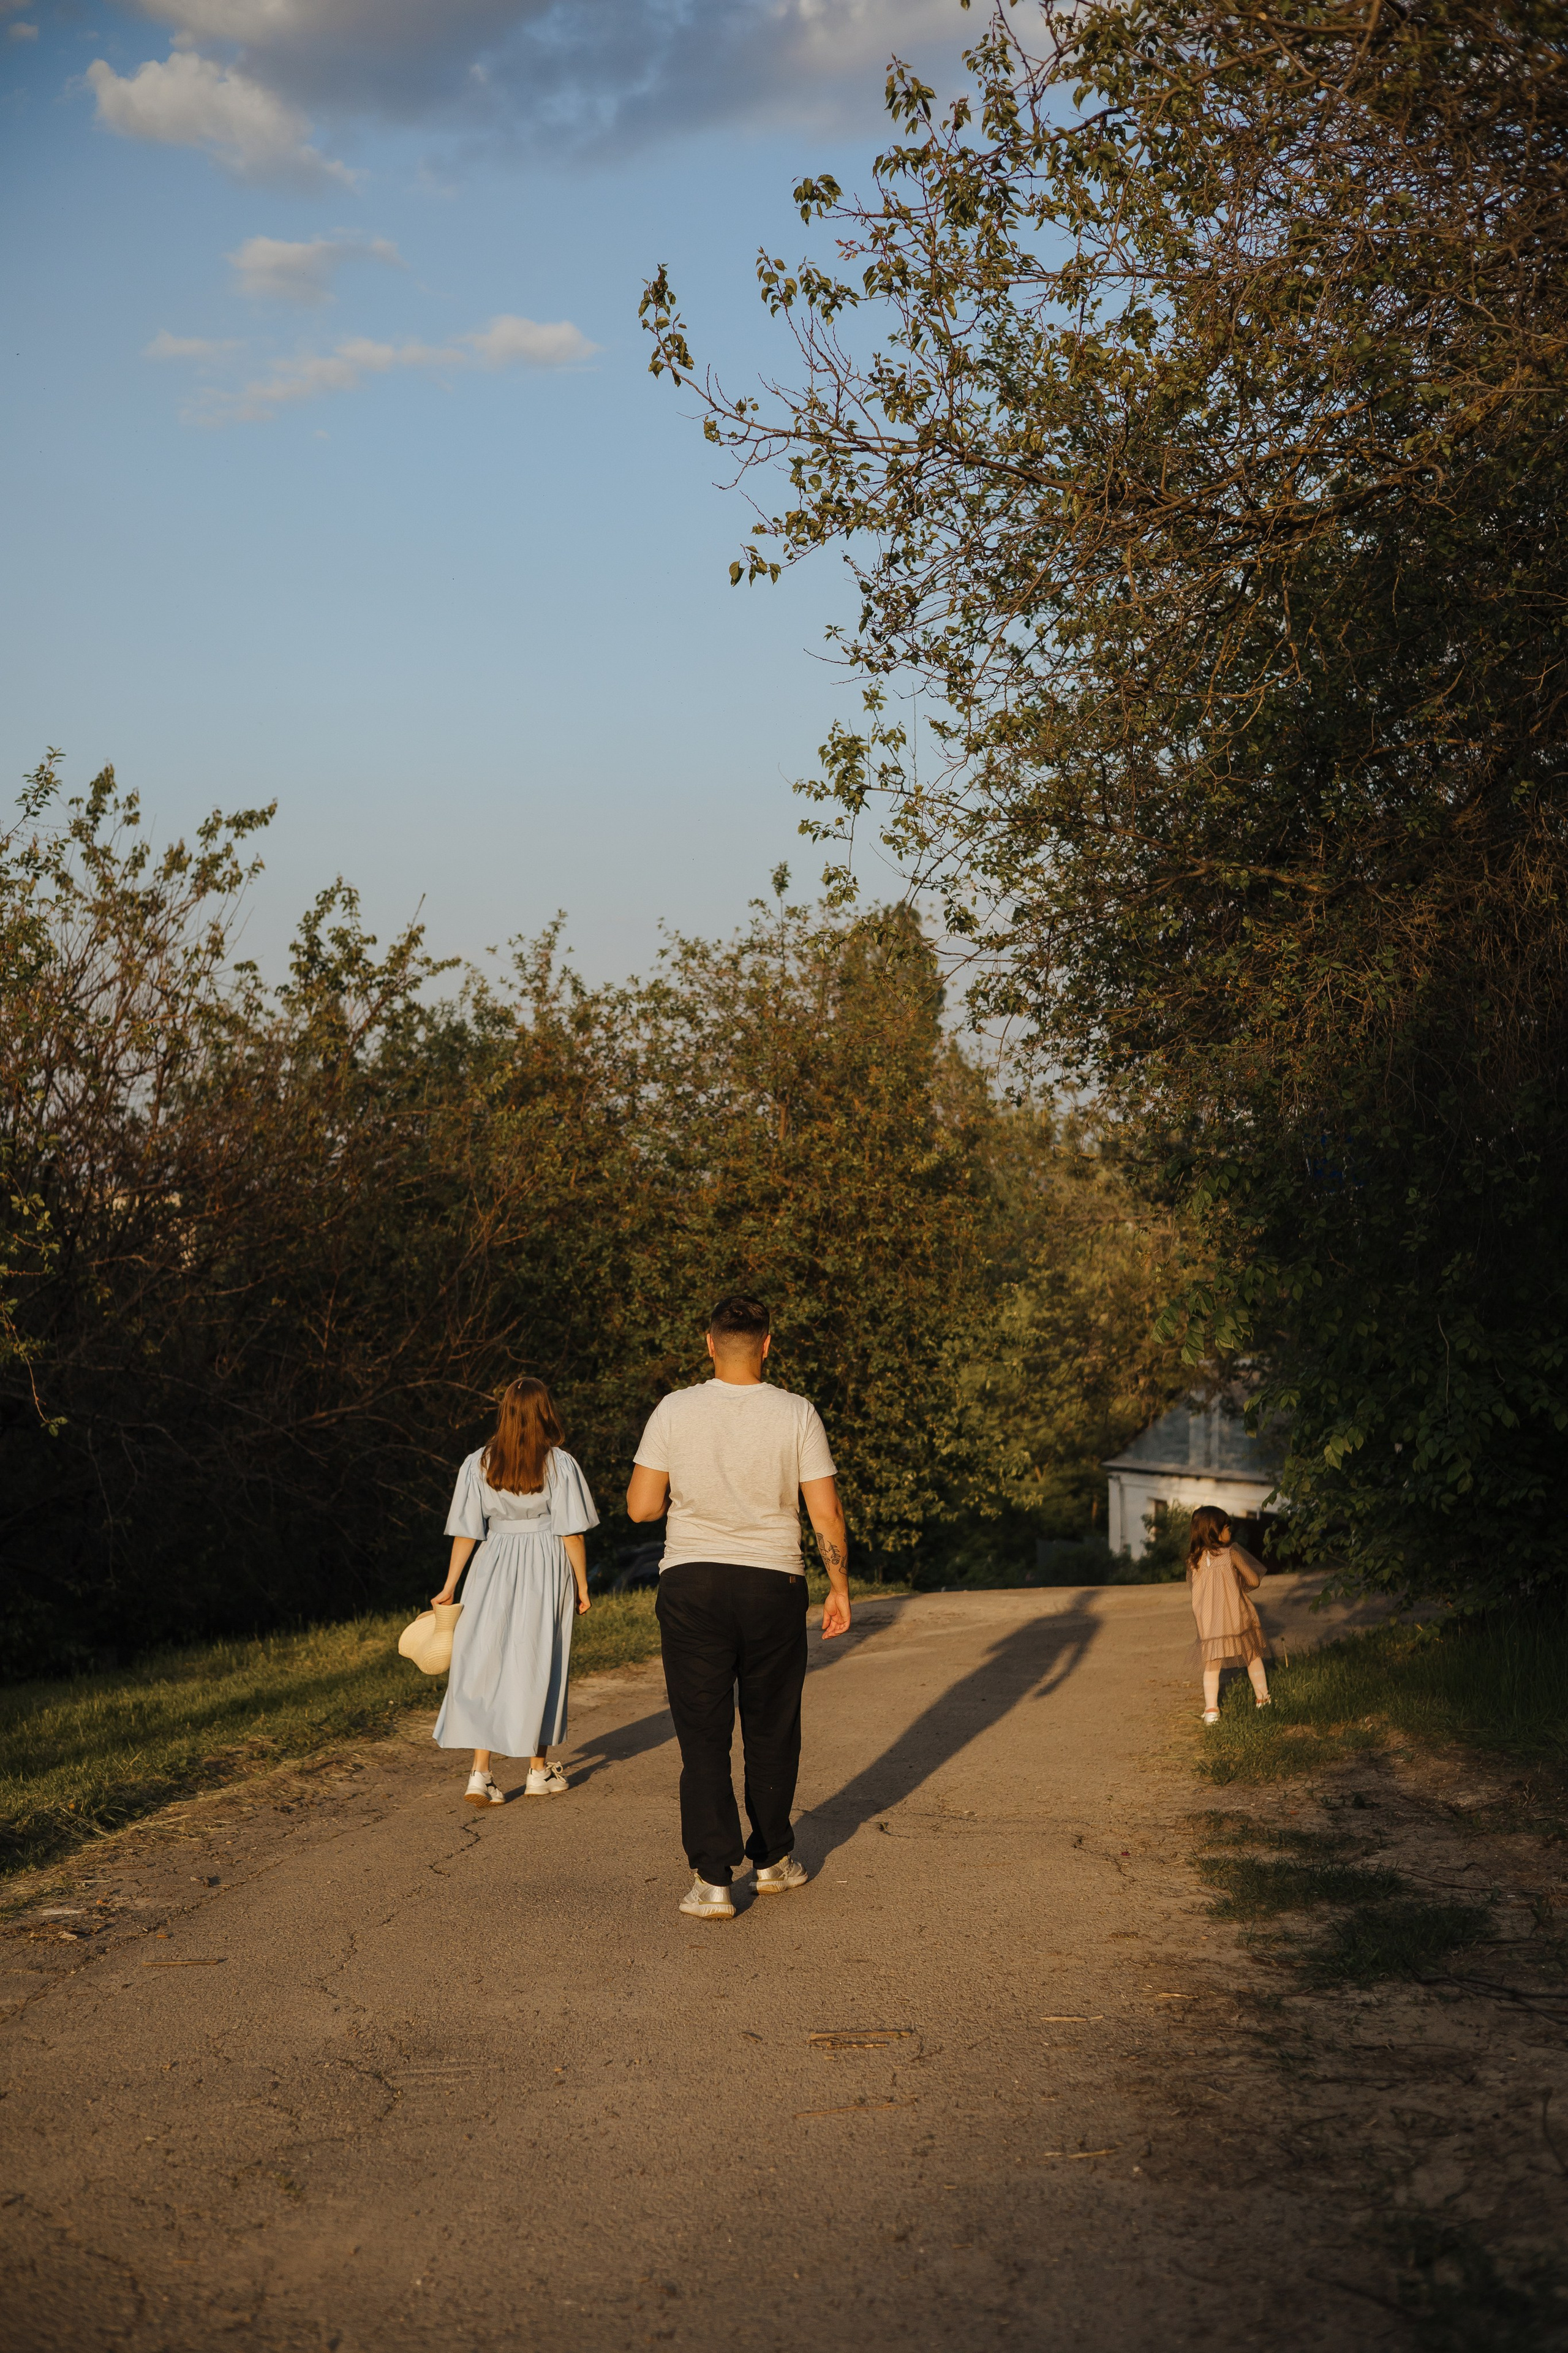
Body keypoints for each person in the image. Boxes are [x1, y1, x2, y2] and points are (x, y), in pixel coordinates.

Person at [627, 1295, 850, 1920]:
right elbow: (825, 1513)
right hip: (771, 1584)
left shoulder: (674, 1410)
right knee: (770, 1726)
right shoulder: (796, 1413)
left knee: (702, 1735)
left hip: (692, 1584)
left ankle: (713, 1879)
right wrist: (839, 1586)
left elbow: (641, 1508)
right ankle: (773, 1860)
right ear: (767, 1345)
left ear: (708, 1344)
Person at [432, 1376, 597, 1805]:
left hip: (494, 1561)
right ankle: (538, 1770)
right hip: (546, 1563)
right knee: (541, 1656)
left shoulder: (477, 1463)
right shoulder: (560, 1464)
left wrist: (450, 1585)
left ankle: (480, 1773)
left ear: (504, 1412)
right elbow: (572, 1532)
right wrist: (582, 1583)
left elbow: (467, 1531)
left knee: (485, 1659)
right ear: (547, 1412)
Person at [1186, 1504, 1271, 1724]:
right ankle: (1263, 1699)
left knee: (1212, 1666)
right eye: (1226, 1528)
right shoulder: (1232, 1553)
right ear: (1215, 1531)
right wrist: (1236, 1583)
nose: (1230, 1532)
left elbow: (1197, 1591)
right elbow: (1254, 1580)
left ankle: (1212, 1711)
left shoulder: (1194, 1561)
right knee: (1252, 1655)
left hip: (1209, 1623)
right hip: (1236, 1617)